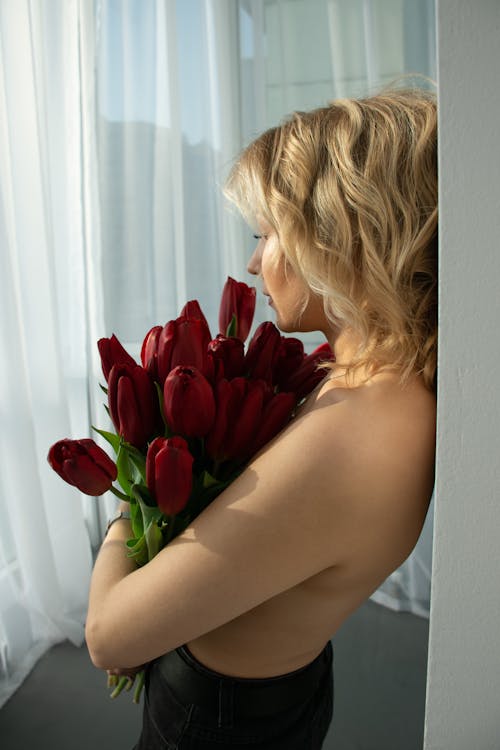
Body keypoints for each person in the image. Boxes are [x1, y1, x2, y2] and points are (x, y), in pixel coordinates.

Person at [85, 86, 437, 749]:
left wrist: (136, 485)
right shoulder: (376, 381)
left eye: (267, 234)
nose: (253, 262)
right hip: (283, 684)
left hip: (218, 720)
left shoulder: (354, 430)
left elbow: (109, 635)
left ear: (338, 235)